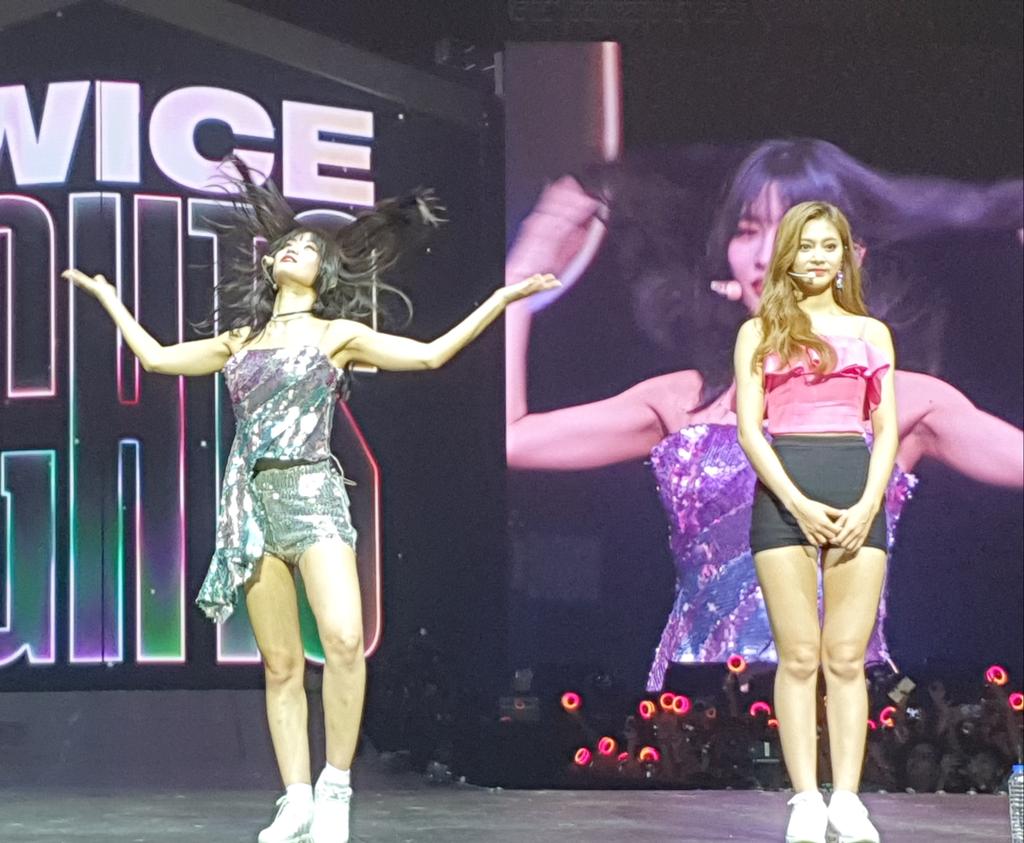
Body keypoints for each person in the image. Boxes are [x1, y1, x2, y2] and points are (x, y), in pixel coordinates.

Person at [64, 161, 558, 843]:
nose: (295, 249)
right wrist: (109, 298)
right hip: (251, 505)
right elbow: (154, 358)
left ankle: (336, 788)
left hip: (315, 497)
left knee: (346, 641)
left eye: (309, 247)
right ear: (272, 267)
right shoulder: (239, 342)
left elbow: (430, 355)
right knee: (281, 665)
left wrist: (502, 300)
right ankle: (295, 798)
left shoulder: (336, 335)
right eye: (287, 245)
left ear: (323, 273)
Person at [503, 139, 1023, 686]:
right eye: (748, 230)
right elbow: (509, 440)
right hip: (694, 708)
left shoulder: (903, 402)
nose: (764, 255)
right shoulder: (682, 401)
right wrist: (518, 281)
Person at [734, 201, 892, 843]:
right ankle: (804, 799)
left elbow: (887, 430)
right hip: (783, 495)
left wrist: (869, 504)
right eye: (806, 245)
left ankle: (848, 800)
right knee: (799, 656)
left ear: (846, 256)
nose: (819, 257)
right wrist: (796, 502)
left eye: (830, 245)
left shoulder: (871, 332)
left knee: (847, 657)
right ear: (788, 256)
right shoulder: (758, 332)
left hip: (855, 491)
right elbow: (750, 430)